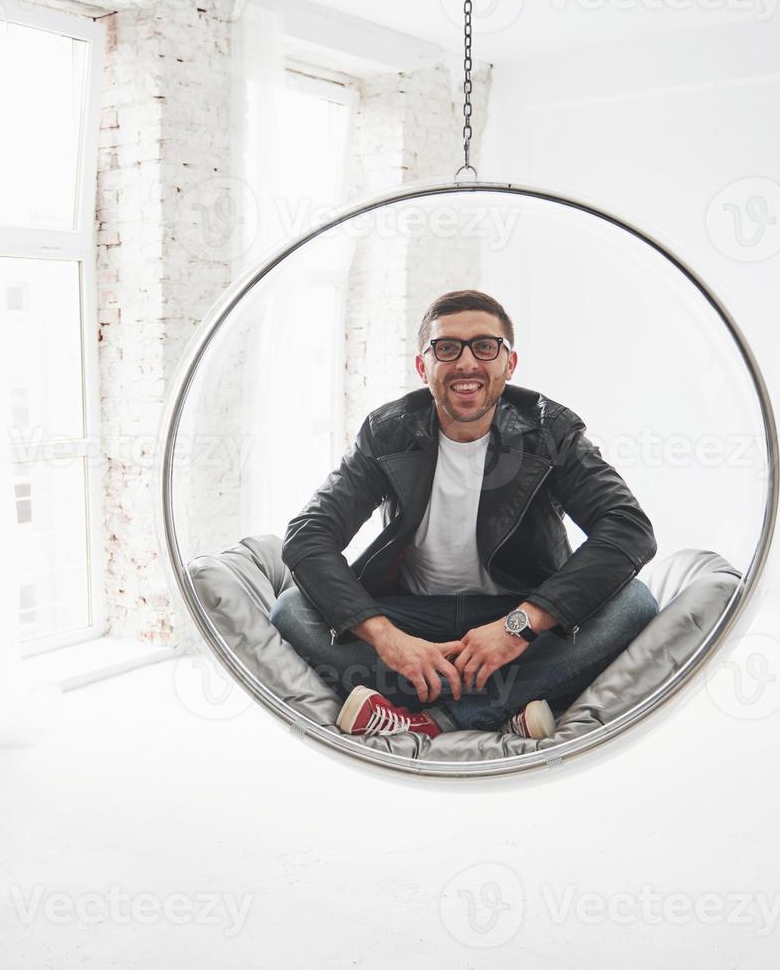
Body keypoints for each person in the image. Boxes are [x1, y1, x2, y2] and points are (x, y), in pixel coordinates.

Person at [269, 289, 660, 740]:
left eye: (485, 346)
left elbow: (628, 529)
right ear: (423, 366)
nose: (467, 363)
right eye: (447, 348)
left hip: (517, 611)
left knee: (635, 604)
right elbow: (308, 534)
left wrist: (518, 627)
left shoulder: (550, 430)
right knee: (293, 610)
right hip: (412, 616)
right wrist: (388, 639)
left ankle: (433, 719)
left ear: (509, 364)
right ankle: (510, 705)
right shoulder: (387, 431)